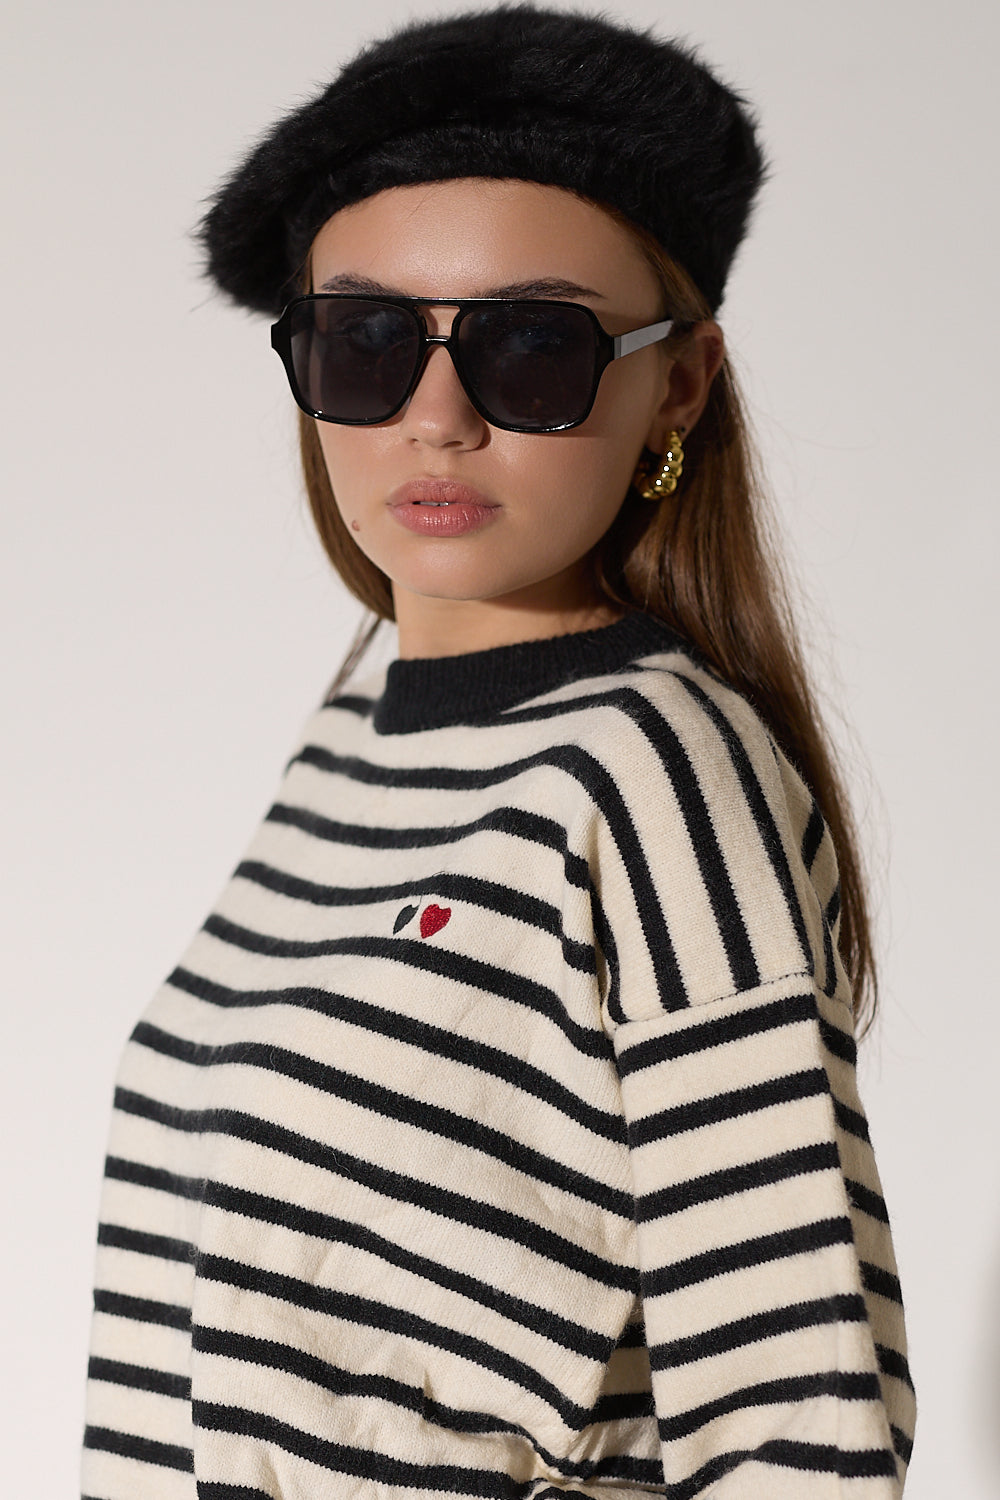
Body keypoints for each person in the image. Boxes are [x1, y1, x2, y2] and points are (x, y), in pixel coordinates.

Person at [80, 6, 916, 1497]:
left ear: (679, 382)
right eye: (367, 341)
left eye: (534, 348)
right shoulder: (349, 744)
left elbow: (798, 1414)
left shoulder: (658, 769)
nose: (438, 418)